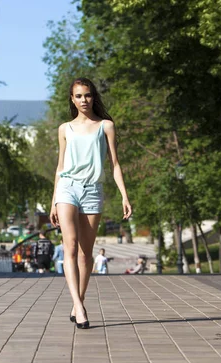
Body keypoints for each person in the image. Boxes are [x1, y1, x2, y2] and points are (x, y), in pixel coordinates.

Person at [50, 77, 132, 329]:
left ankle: (77, 303)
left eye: (87, 95)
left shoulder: (106, 126)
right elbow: (60, 166)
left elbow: (114, 164)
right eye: (78, 96)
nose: (83, 100)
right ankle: (80, 306)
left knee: (86, 255)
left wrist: (124, 195)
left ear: (93, 97)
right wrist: (54, 200)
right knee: (70, 247)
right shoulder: (65, 129)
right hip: (67, 188)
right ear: (72, 100)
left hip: (93, 191)